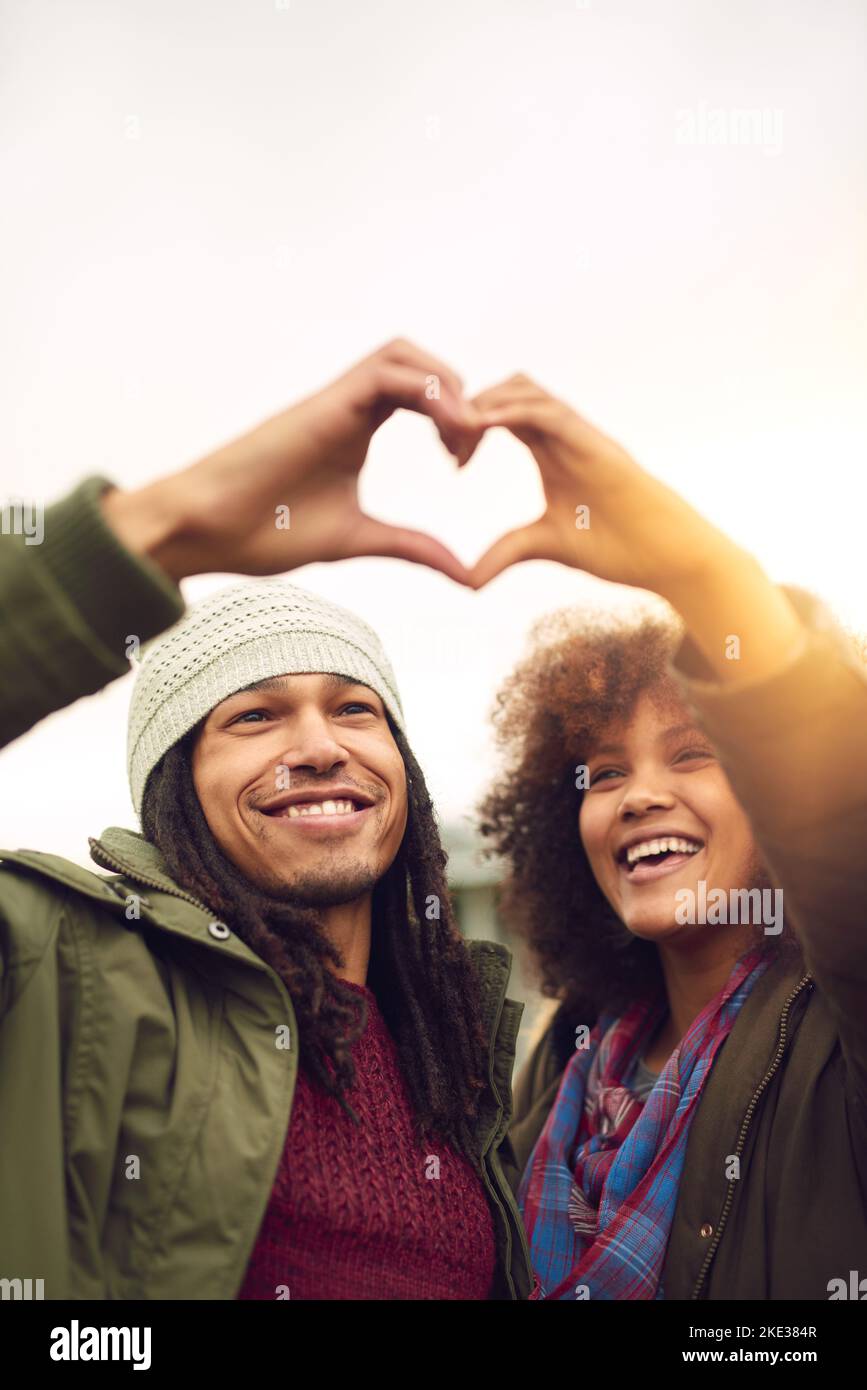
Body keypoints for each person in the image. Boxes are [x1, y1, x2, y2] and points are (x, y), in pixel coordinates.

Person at [0, 340, 534, 1300]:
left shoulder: (466, 1059)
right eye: (252, 716)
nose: (320, 745)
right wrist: (155, 533)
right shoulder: (59, 969)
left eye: (354, 708)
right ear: (176, 789)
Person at [469, 375, 867, 1299]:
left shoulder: (839, 1035)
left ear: (768, 785)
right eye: (604, 773)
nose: (639, 796)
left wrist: (699, 573)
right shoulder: (559, 1066)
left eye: (692, 756)